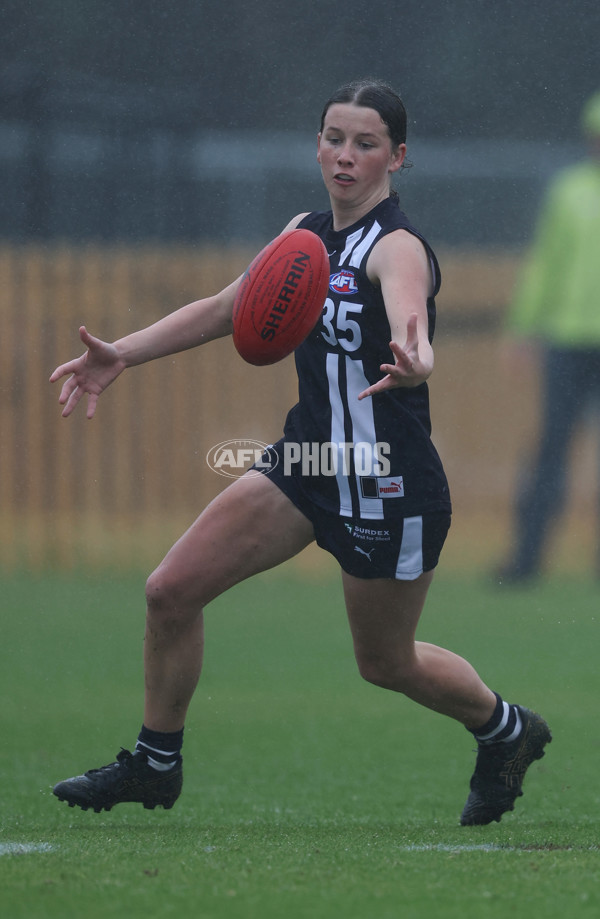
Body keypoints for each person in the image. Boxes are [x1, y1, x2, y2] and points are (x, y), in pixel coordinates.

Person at [50, 79, 551, 826]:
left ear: (398, 156)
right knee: (170, 591)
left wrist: (417, 358)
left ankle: (507, 729)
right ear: (317, 143)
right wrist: (120, 352)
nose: (345, 156)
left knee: (385, 662)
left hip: (387, 480)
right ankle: (156, 763)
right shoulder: (302, 234)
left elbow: (411, 319)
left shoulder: (399, 246)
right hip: (307, 466)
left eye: (366, 143)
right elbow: (227, 309)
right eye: (333, 138)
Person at [496, 89, 600, 584]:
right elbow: (544, 265)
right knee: (550, 450)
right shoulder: (568, 191)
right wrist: (523, 328)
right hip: (566, 339)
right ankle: (526, 558)